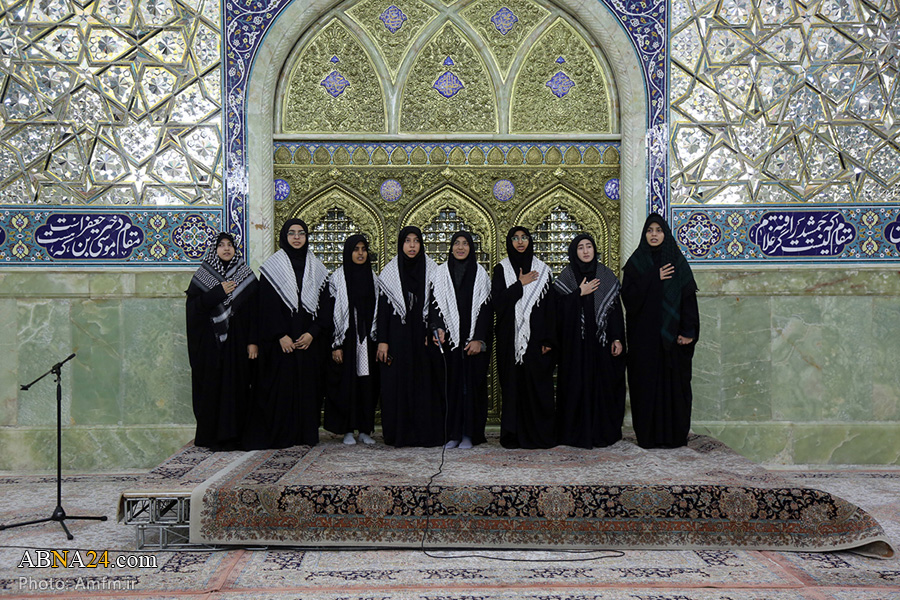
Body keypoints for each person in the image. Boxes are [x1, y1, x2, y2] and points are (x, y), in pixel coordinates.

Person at [244, 219, 329, 449]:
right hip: (281, 343)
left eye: (301, 233)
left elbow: (325, 306)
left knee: (308, 388)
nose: (297, 237)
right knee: (282, 389)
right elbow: (266, 306)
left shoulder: (317, 268)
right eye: (291, 233)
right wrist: (280, 335)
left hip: (308, 341)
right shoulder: (272, 267)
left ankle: (306, 434)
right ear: (284, 237)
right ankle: (284, 435)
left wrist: (312, 333)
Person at [622, 213, 699, 449]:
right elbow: (629, 299)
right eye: (649, 230)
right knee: (646, 386)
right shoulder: (637, 262)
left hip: (673, 339)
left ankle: (675, 436)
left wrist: (689, 331)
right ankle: (648, 436)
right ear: (644, 234)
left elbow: (688, 299)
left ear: (665, 234)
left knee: (674, 386)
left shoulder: (677, 261)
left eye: (658, 230)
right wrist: (653, 277)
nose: (654, 235)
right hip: (644, 340)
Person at [185, 233, 258, 450]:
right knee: (213, 388)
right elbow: (193, 309)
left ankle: (236, 436)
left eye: (230, 245)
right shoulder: (203, 276)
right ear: (214, 250)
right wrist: (218, 292)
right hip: (212, 345)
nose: (226, 249)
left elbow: (256, 312)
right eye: (221, 245)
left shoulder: (245, 275)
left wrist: (253, 341)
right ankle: (212, 436)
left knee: (238, 386)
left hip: (238, 342)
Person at [553, 234, 626, 448]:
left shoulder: (606, 275)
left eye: (589, 246)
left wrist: (617, 338)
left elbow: (615, 311)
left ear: (595, 249)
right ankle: (574, 433)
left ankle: (601, 432)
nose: (585, 251)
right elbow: (556, 310)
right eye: (580, 248)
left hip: (600, 343)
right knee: (575, 386)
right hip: (574, 345)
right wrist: (579, 293)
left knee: (602, 386)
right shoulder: (567, 276)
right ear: (574, 252)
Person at [376, 226, 444, 447]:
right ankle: (399, 434)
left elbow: (437, 305)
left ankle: (424, 434)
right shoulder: (389, 272)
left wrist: (431, 330)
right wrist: (383, 341)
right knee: (397, 385)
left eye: (416, 241)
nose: (412, 245)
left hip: (423, 338)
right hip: (397, 337)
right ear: (401, 244)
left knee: (425, 385)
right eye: (407, 241)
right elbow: (383, 310)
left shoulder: (433, 270)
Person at [492, 227, 557, 449]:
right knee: (512, 388)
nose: (520, 242)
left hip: (536, 341)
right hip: (509, 340)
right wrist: (519, 285)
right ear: (510, 242)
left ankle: (539, 435)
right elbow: (498, 303)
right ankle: (513, 435)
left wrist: (548, 340)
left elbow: (550, 309)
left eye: (524, 238)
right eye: (515, 238)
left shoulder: (543, 271)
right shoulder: (501, 269)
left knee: (536, 388)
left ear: (530, 241)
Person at [429, 231, 492, 449]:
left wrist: (478, 339)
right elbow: (435, 305)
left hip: (472, 341)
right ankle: (453, 434)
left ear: (471, 248)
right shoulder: (440, 273)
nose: (461, 247)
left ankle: (469, 434)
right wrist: (438, 328)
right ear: (451, 247)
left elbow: (485, 310)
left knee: (471, 388)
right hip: (450, 343)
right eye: (456, 243)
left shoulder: (480, 274)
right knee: (452, 388)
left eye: (465, 243)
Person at [323, 234, 380, 445]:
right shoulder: (337, 279)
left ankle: (365, 429)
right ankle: (347, 429)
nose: (360, 253)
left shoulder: (373, 278)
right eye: (356, 249)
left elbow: (377, 310)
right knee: (347, 384)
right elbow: (330, 314)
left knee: (366, 384)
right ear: (348, 252)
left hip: (367, 340)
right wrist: (336, 344)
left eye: (364, 249)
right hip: (346, 338)